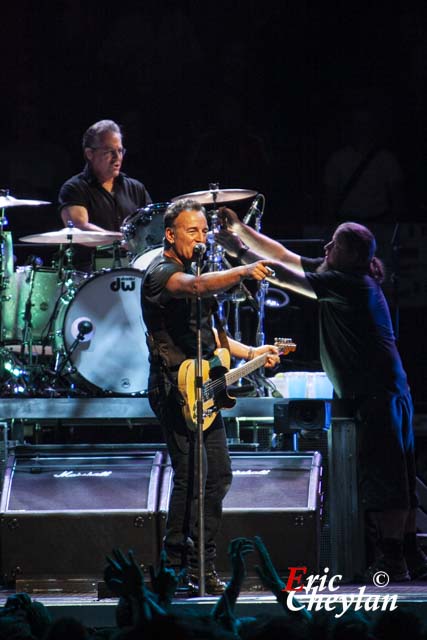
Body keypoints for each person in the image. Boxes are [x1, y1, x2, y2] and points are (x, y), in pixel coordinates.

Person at [217, 209, 427, 583]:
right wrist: (242, 230)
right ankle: (409, 552)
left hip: (379, 394)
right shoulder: (340, 273)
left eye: (335, 243)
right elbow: (284, 255)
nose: (326, 246)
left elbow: (281, 274)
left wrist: (236, 252)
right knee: (396, 474)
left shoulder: (349, 284)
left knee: (387, 478)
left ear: (349, 256)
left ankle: (394, 558)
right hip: (386, 391)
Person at [140, 199, 279, 596]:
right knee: (190, 476)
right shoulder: (161, 273)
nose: (200, 239)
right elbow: (196, 287)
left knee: (217, 474)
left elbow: (212, 336)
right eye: (191, 231)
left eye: (203, 231)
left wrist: (252, 353)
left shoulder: (196, 272)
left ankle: (203, 564)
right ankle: (176, 567)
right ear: (170, 235)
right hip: (173, 387)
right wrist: (243, 270)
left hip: (205, 387)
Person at [58, 119, 152, 269]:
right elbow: (79, 228)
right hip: (90, 274)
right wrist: (122, 240)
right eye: (110, 152)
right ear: (90, 153)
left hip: (133, 270)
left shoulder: (136, 188)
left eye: (120, 151)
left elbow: (151, 226)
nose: (117, 157)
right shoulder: (74, 188)